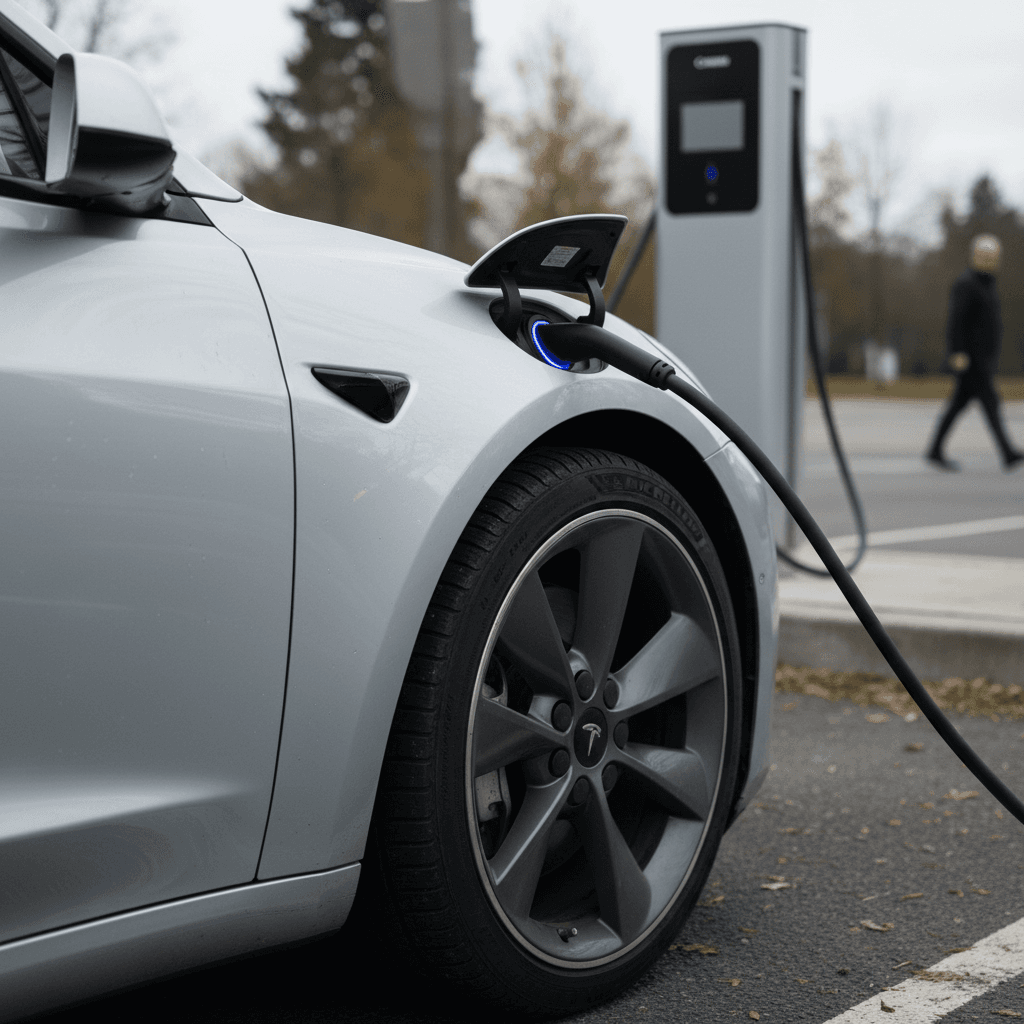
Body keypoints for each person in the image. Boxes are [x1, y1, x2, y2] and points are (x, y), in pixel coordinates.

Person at [925, 233, 1023, 471]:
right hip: (971, 359)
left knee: (959, 405)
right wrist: (957, 352)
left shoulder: (987, 285)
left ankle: (935, 449)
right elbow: (956, 321)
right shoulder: (966, 284)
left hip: (983, 359)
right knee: (989, 404)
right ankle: (1007, 452)